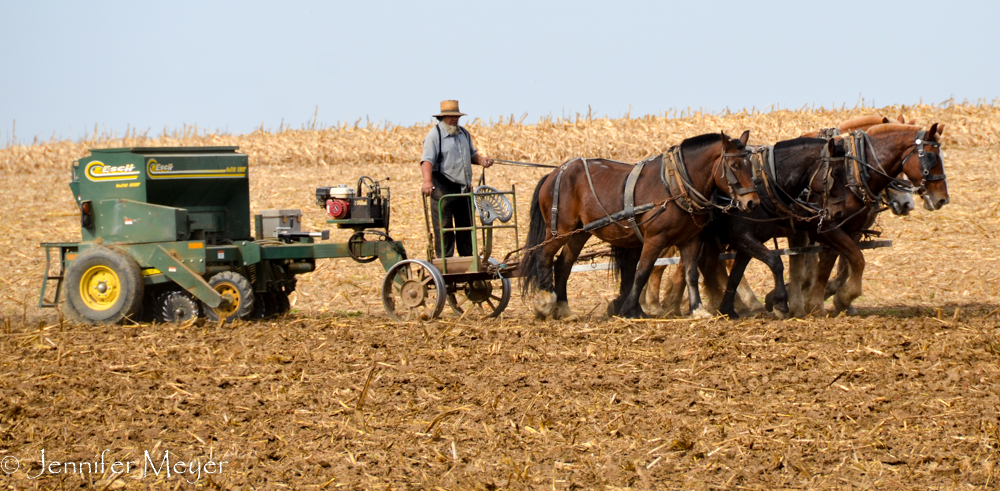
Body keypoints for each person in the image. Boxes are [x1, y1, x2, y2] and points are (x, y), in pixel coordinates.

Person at [420, 100, 493, 258]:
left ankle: (468, 259)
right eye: (451, 116)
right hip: (443, 188)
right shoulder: (435, 135)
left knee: (467, 227)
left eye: (457, 116)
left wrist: (482, 160)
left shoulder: (464, 134)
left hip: (464, 188)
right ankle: (445, 262)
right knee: (444, 227)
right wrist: (427, 181)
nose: (455, 119)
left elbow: (472, 154)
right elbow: (427, 161)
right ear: (443, 117)